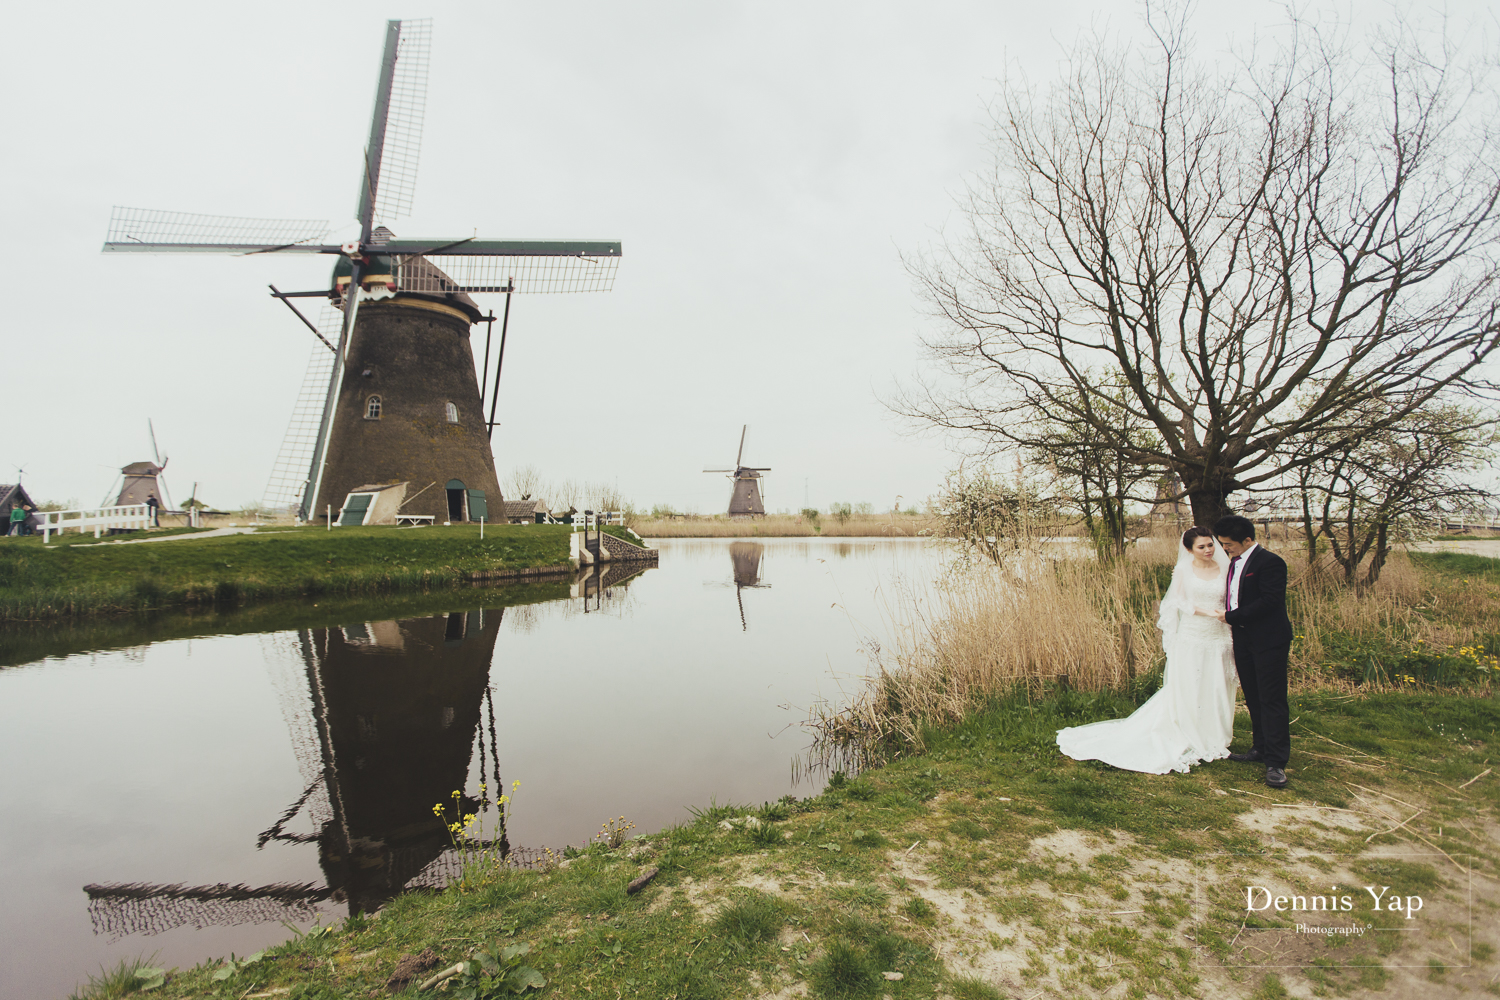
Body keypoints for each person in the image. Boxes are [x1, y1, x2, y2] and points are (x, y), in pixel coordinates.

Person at [1056, 527, 1237, 773]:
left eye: (1210, 545)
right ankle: (1190, 729)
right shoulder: (1184, 570)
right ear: (1189, 549)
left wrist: (1228, 616)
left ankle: (1216, 733)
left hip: (1220, 635)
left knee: (1217, 683)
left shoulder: (1226, 568)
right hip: (1195, 633)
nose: (1208, 550)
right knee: (1192, 682)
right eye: (1201, 547)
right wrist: (1210, 613)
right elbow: (1177, 601)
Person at [1213, 515, 1295, 789]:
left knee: (1272, 699)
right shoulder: (1234, 563)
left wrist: (1231, 617)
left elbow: (1270, 601)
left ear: (1247, 540)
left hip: (1268, 639)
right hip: (1243, 639)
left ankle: (1276, 762)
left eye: (1229, 544)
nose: (1226, 549)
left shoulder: (1270, 562)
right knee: (1253, 695)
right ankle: (1259, 748)